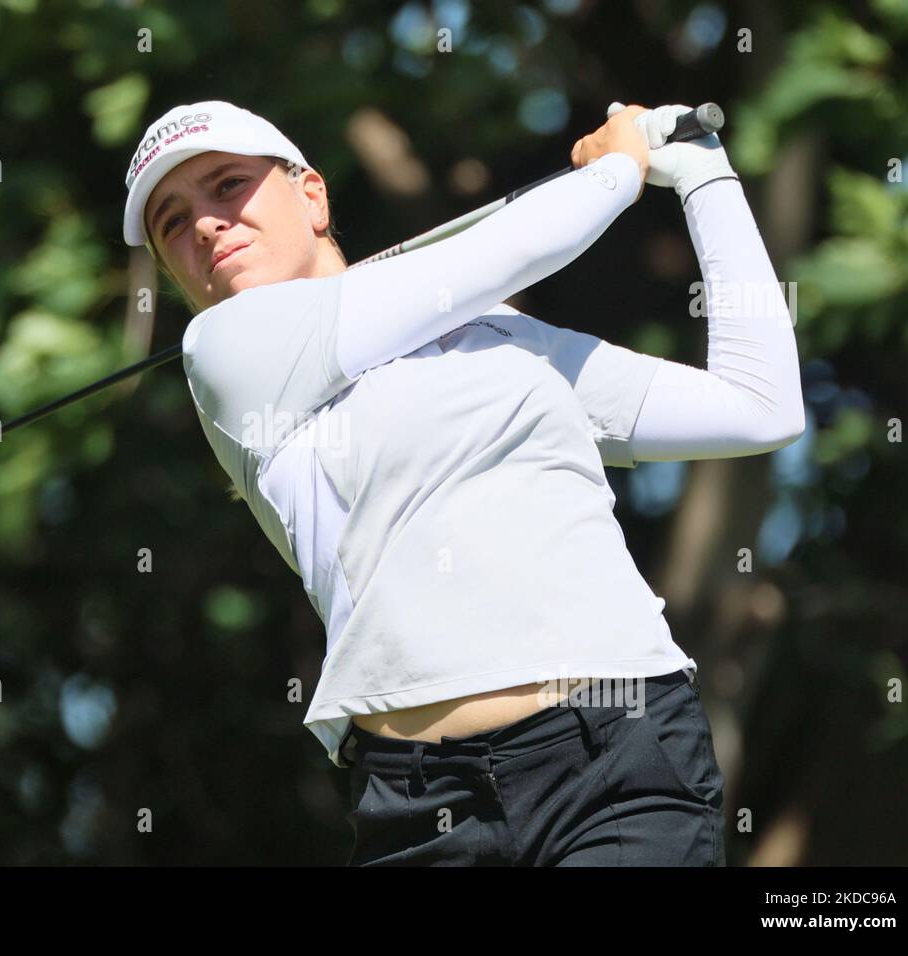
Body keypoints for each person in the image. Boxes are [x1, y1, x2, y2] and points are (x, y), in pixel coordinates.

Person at [121, 99, 803, 865]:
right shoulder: (225, 350)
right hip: (420, 804)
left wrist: (703, 174)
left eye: (226, 185)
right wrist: (619, 168)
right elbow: (494, 259)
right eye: (172, 221)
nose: (205, 223)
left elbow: (759, 407)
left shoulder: (508, 343)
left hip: (620, 761)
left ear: (311, 194)